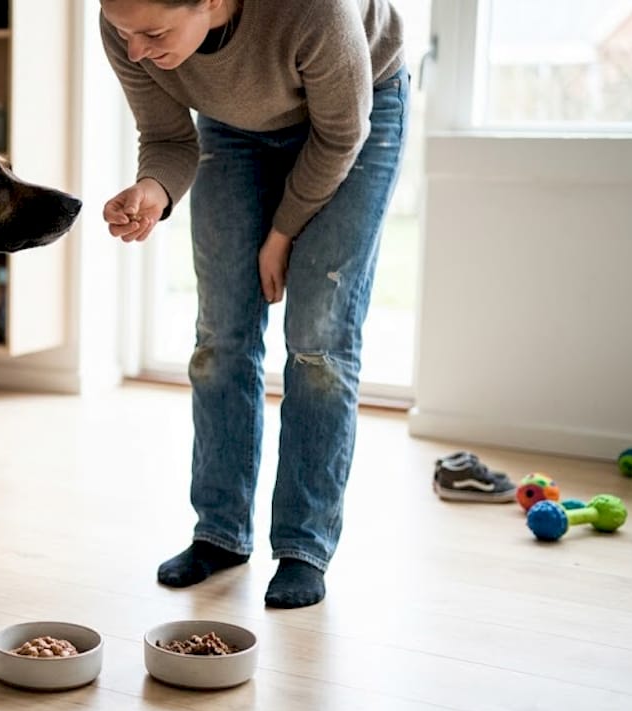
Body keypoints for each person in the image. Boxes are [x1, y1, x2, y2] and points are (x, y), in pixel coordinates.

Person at [98, 0, 408, 608]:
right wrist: (152, 190)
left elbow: (341, 133)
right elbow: (165, 136)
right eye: (124, 33)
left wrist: (282, 232)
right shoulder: (127, 21)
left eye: (153, 34)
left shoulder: (312, 11)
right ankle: (220, 532)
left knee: (318, 340)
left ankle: (302, 547)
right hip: (234, 125)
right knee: (220, 336)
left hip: (356, 117)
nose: (135, 49)